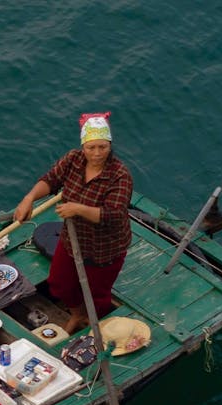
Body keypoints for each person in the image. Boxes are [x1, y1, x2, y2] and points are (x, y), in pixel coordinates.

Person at [13, 112, 133, 334]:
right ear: (83, 146)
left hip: (105, 249)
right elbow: (50, 180)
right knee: (59, 284)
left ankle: (96, 326)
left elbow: (113, 214)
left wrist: (77, 208)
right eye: (91, 148)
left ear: (110, 145)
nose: (97, 153)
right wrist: (28, 198)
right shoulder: (73, 159)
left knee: (98, 295)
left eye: (102, 147)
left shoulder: (120, 175)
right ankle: (78, 315)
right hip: (73, 239)